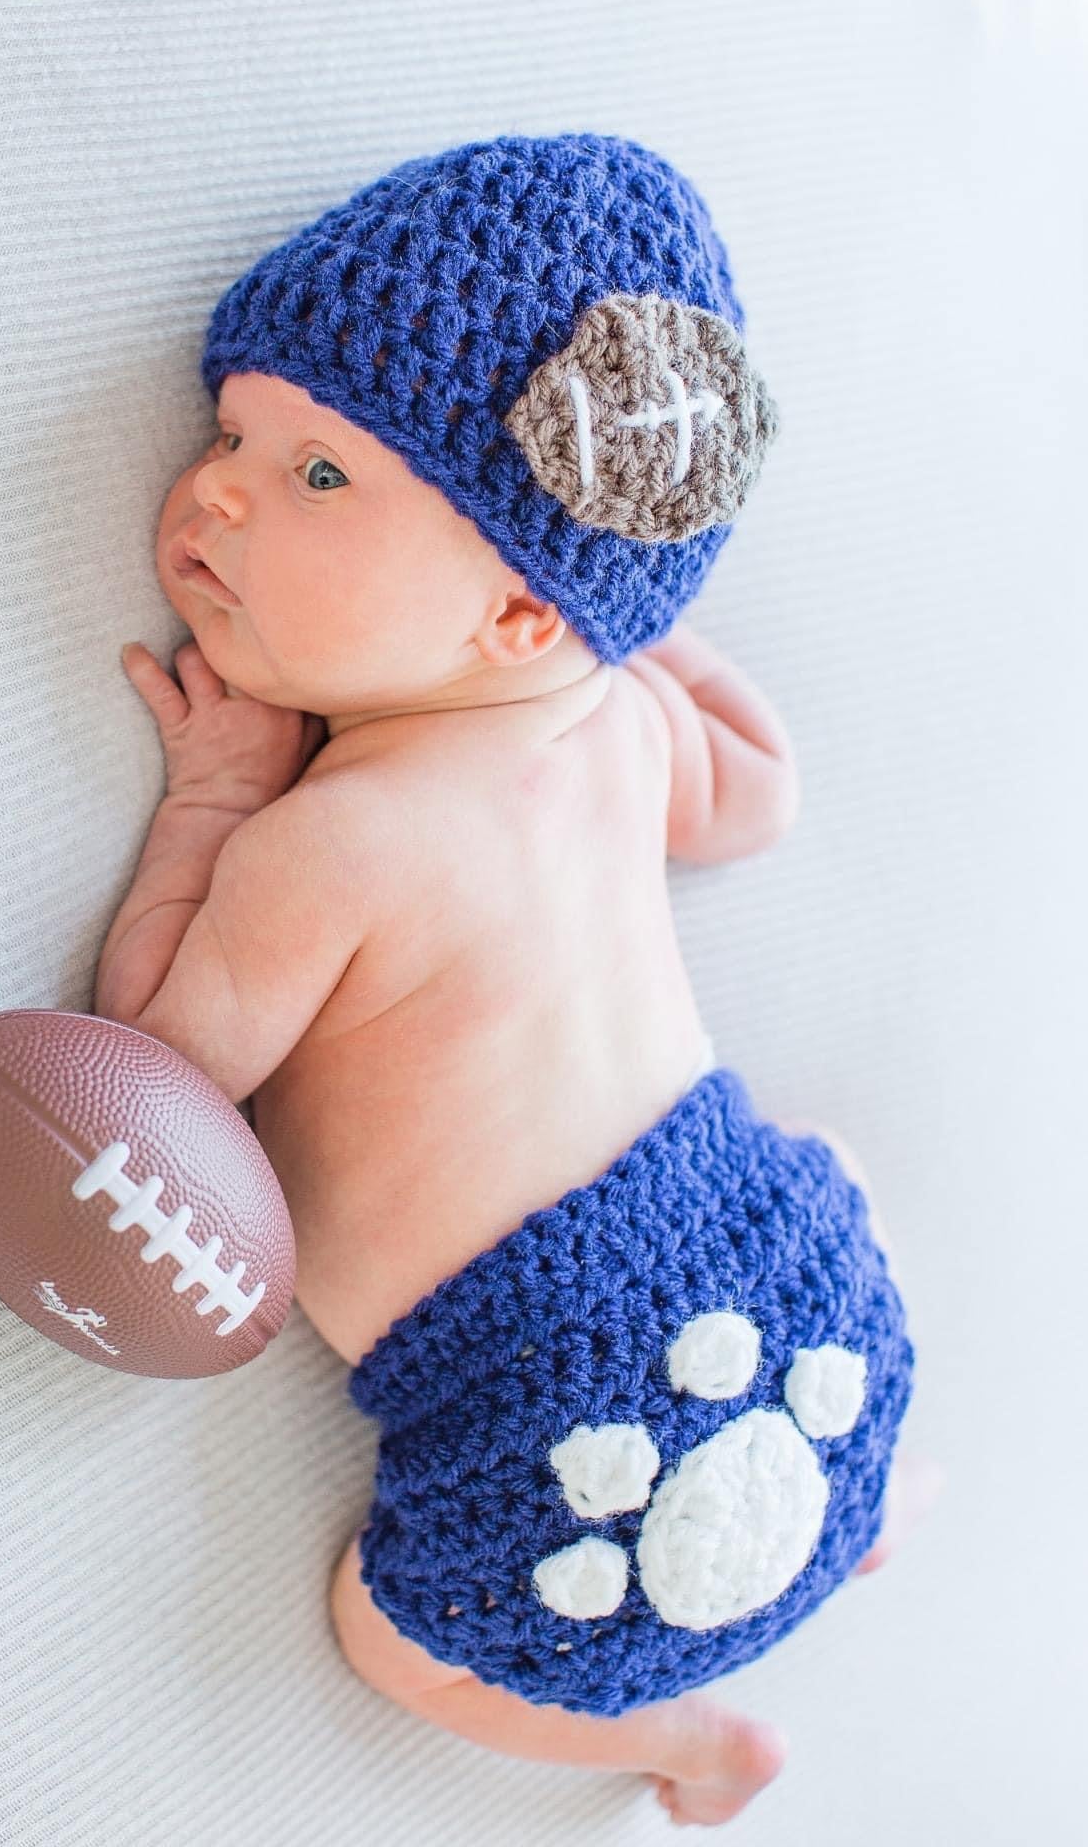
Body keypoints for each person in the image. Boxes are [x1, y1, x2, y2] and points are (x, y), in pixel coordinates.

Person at [94, 135, 939, 1827]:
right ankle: (864, 1507)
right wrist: (626, 622)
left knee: (396, 1634)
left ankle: (687, 1743)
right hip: (783, 1267)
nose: (218, 491)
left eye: (319, 477)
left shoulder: (319, 852)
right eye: (234, 434)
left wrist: (204, 806)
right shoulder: (627, 728)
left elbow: (148, 1086)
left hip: (553, 1422)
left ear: (516, 616)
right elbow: (762, 795)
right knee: (824, 1180)